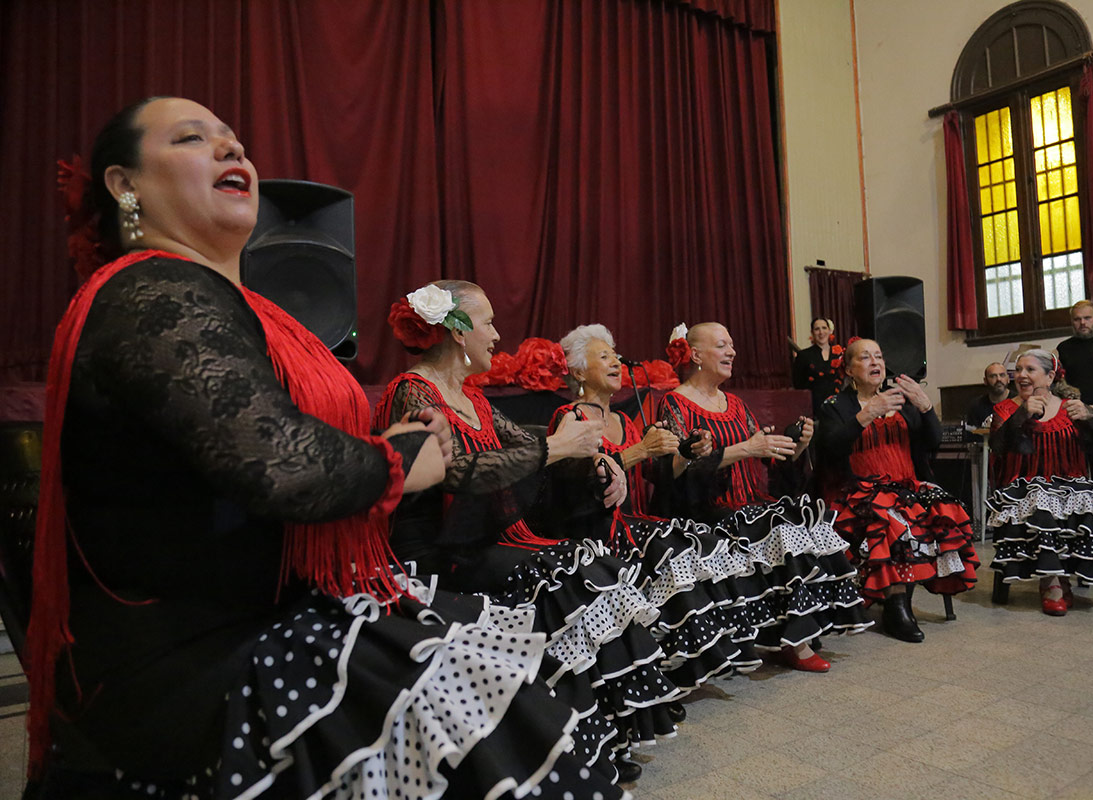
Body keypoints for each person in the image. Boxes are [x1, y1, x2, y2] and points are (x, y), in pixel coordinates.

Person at [26, 97, 626, 800]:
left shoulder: (244, 310)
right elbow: (282, 465)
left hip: (270, 607)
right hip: (194, 649)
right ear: (124, 185)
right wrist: (399, 461)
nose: (233, 152)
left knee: (508, 670)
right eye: (194, 139)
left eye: (237, 141)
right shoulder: (153, 291)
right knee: (484, 691)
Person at [376, 283, 678, 782]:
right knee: (573, 575)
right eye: (489, 322)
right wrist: (559, 448)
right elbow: (457, 471)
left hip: (486, 539)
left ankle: (588, 736)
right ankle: (562, 742)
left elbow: (527, 441)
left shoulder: (471, 397)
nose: (497, 335)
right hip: (442, 552)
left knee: (594, 567)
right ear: (455, 330)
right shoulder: (413, 390)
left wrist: (601, 459)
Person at [549, 324, 834, 678]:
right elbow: (574, 487)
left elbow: (662, 473)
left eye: (615, 355)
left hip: (642, 520)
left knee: (794, 517)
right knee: (691, 542)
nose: (616, 362)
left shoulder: (624, 419)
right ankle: (697, 656)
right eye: (604, 356)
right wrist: (659, 454)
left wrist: (687, 452)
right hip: (603, 529)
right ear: (577, 371)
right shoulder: (571, 418)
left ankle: (780, 634)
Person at [654, 323, 871, 661]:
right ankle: (794, 644)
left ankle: (800, 630)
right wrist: (746, 448)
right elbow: (679, 473)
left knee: (806, 520)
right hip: (704, 509)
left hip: (747, 502)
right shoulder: (675, 403)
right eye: (722, 345)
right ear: (696, 355)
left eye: (732, 345)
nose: (732, 352)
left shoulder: (736, 403)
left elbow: (768, 458)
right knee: (781, 527)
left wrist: (797, 446)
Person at [815, 338, 978, 642]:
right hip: (858, 491)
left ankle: (900, 601)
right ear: (849, 369)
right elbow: (830, 447)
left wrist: (926, 406)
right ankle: (897, 606)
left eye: (879, 356)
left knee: (943, 509)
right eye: (865, 358)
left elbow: (932, 441)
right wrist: (866, 414)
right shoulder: (835, 407)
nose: (875, 362)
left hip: (906, 485)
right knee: (892, 518)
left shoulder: (900, 402)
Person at [987, 349, 1093, 614]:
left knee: (1090, 503)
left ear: (1050, 376)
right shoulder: (1006, 408)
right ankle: (1053, 583)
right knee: (1043, 502)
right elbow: (998, 448)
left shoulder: (1071, 407)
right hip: (1026, 486)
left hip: (1071, 483)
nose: (1021, 375)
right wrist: (1021, 415)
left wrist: (1091, 418)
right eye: (1019, 370)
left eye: (1030, 370)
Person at [791, 317, 841, 404]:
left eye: (824, 328)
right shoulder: (803, 355)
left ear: (830, 331)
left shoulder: (839, 353)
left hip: (839, 402)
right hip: (813, 404)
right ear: (812, 332)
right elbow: (798, 384)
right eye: (817, 329)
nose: (821, 332)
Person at [965, 361, 1012, 427]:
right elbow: (972, 435)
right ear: (985, 381)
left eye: (1002, 375)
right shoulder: (976, 406)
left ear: (1008, 379)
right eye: (993, 376)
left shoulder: (1020, 403)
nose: (998, 379)